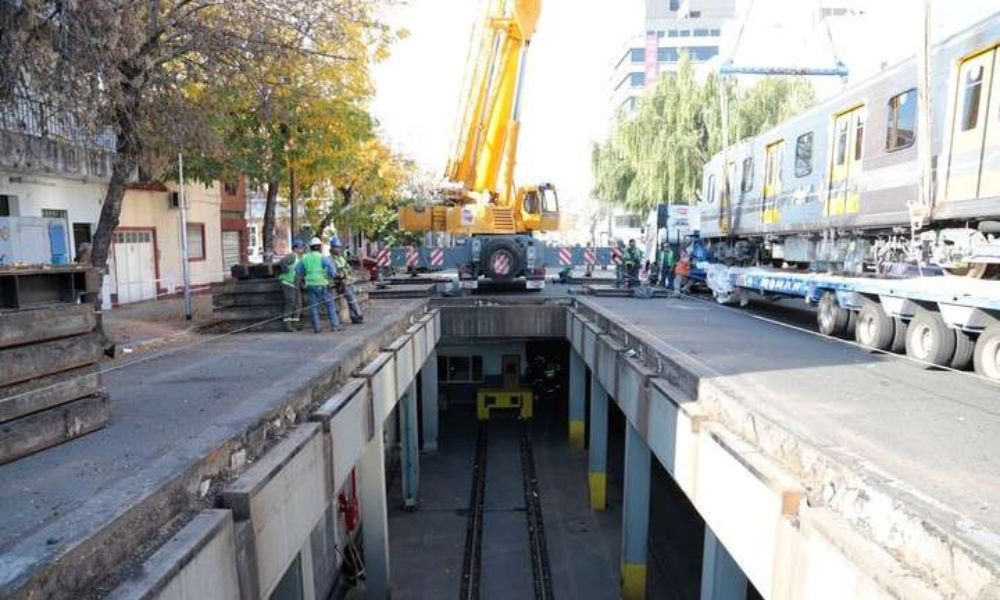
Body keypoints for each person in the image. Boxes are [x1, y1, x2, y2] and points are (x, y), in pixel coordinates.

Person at [296, 237, 341, 333]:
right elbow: (332, 271)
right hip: (323, 285)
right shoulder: (322, 257)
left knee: (313, 308)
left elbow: (298, 271)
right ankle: (335, 325)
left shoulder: (305, 258)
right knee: (330, 305)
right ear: (319, 247)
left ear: (310, 247)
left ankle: (317, 328)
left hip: (311, 285)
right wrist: (332, 276)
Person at [329, 236, 365, 324]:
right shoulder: (330, 259)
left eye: (338, 247)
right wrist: (342, 276)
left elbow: (347, 268)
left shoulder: (341, 258)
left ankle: (354, 317)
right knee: (351, 299)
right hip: (340, 283)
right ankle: (359, 315)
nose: (338, 249)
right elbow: (334, 273)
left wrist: (349, 275)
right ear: (332, 248)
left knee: (351, 299)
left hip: (347, 281)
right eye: (336, 247)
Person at [277, 240, 305, 332]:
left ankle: (295, 324)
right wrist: (287, 271)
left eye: (302, 247)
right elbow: (282, 262)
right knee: (290, 304)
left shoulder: (300, 257)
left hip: (295, 284)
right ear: (295, 248)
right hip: (288, 283)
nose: (302, 249)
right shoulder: (292, 256)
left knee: (298, 304)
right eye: (300, 247)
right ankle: (288, 326)